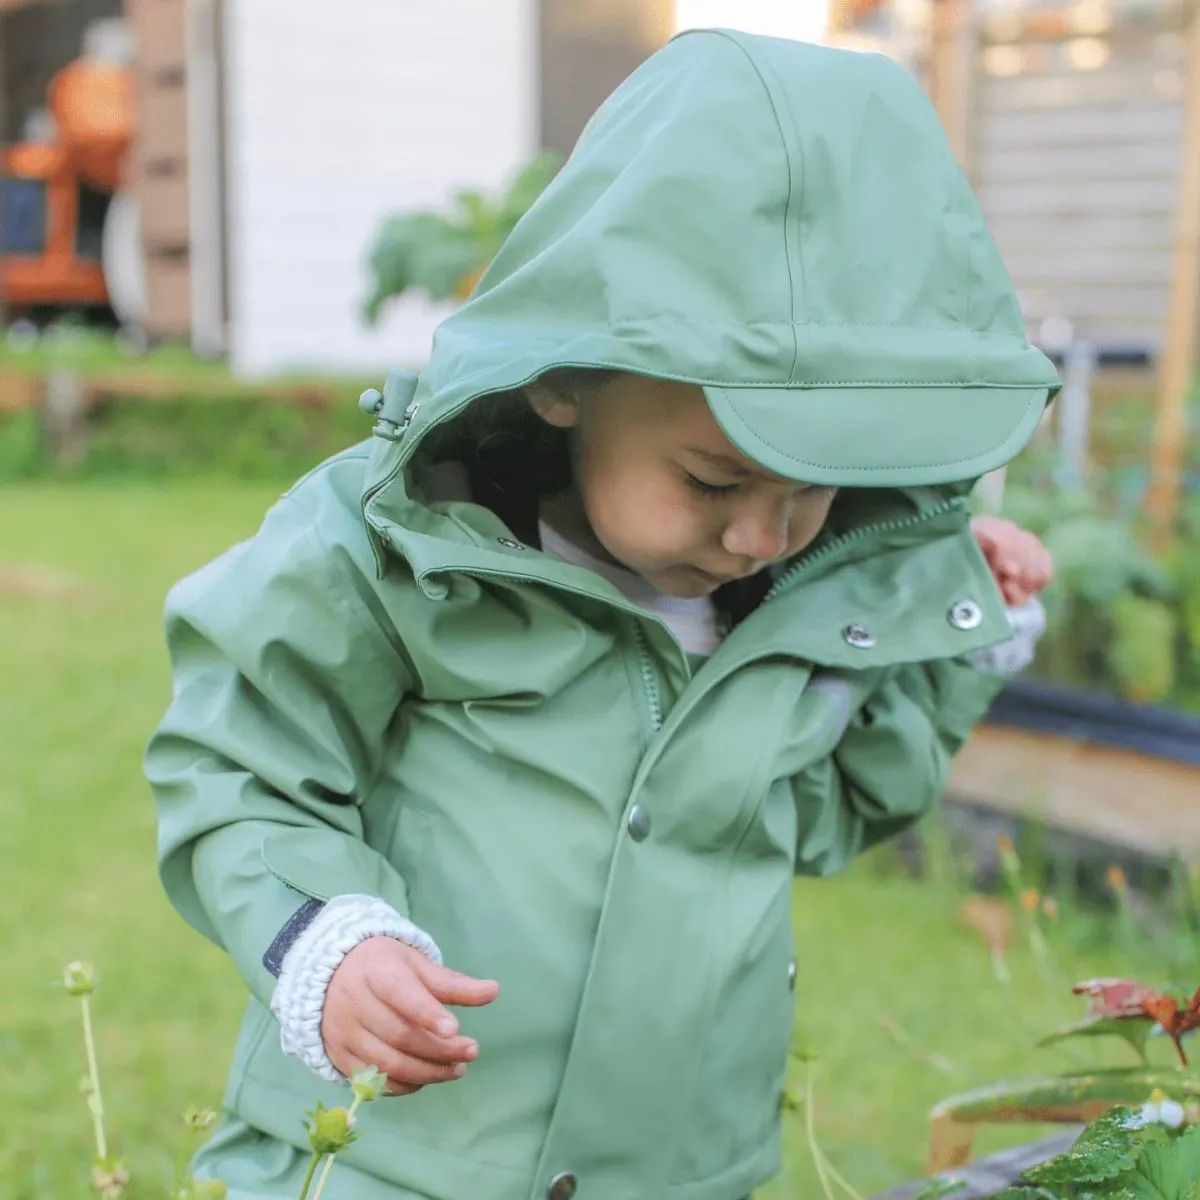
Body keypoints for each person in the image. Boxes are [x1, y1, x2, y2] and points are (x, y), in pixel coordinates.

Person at [146, 28, 1059, 1200]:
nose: (759, 537)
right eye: (716, 480)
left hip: (679, 1170)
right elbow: (239, 760)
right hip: (395, 1161)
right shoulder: (400, 550)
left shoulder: (800, 596)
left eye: (813, 488)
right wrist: (324, 939)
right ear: (565, 376)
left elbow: (834, 813)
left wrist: (946, 637)